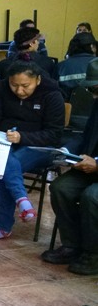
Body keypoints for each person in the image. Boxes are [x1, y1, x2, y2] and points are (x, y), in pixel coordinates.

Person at [0, 60, 65, 239]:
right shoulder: (1, 90)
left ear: (37, 80)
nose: (19, 91)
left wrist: (23, 137)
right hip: (6, 144)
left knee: (4, 165)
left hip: (40, 147)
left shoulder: (52, 95)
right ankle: (21, 200)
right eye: (14, 85)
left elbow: (54, 134)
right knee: (5, 162)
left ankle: (3, 225)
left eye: (25, 86)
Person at [42, 58, 98, 275]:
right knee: (60, 188)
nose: (92, 93)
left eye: (94, 88)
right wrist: (68, 153)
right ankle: (72, 245)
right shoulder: (97, 104)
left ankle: (93, 254)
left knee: (92, 197)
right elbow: (86, 136)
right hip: (90, 165)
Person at [58, 32, 96, 99]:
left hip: (67, 106)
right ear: (92, 46)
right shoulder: (96, 63)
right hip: (94, 106)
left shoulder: (61, 66)